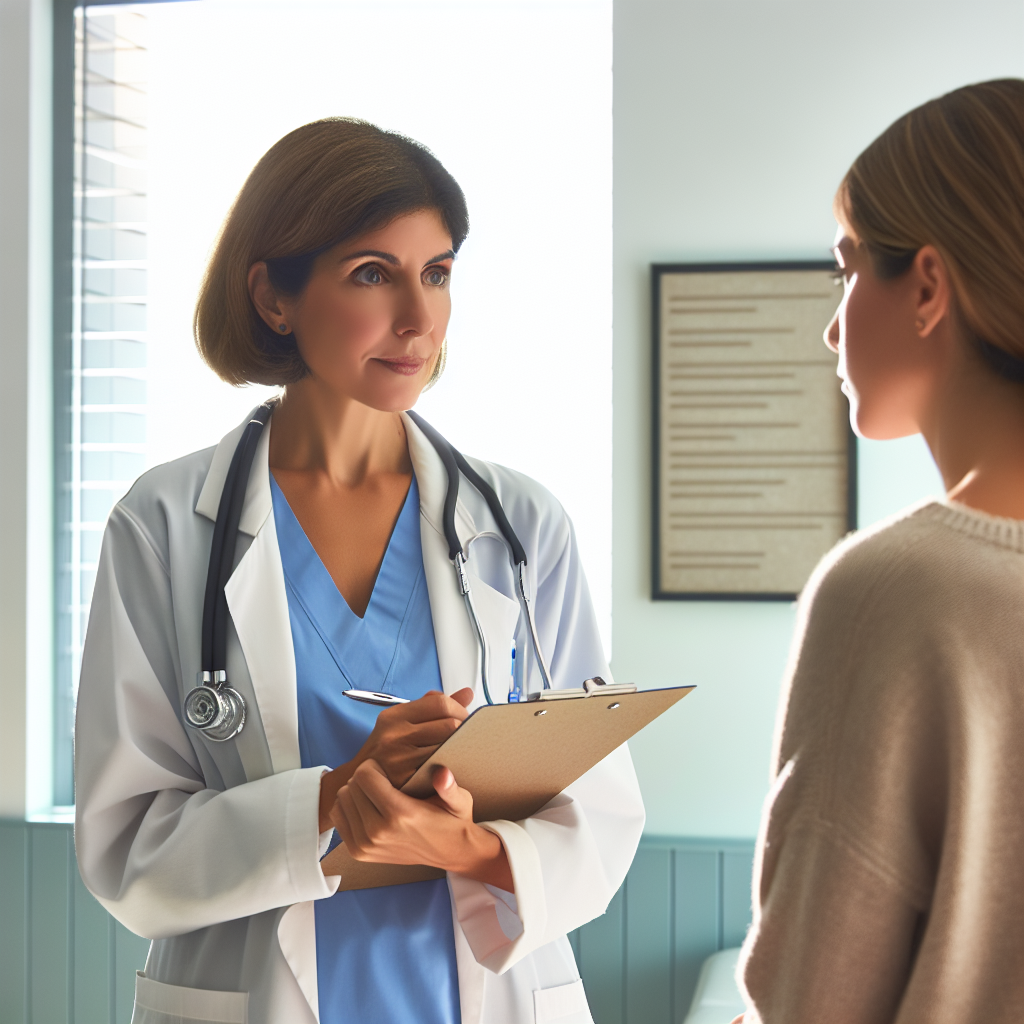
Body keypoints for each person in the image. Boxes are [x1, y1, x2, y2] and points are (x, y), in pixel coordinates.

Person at [74, 118, 644, 1024]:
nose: (420, 319)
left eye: (439, 272)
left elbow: (603, 817)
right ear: (274, 297)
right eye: (373, 273)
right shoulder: (163, 527)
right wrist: (338, 797)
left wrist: (466, 849)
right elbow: (126, 852)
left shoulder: (521, 526)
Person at [730, 79, 1024, 1024]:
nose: (832, 323)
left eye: (847, 270)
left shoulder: (900, 589)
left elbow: (809, 1005)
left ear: (929, 286)